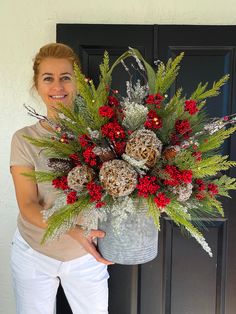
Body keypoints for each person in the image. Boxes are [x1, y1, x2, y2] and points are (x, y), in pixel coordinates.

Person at [10, 43, 112, 314]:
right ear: (37, 84)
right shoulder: (23, 139)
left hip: (87, 254)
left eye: (65, 77)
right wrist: (71, 229)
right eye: (48, 78)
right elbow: (28, 205)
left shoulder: (100, 136)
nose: (58, 86)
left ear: (77, 82)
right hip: (34, 251)